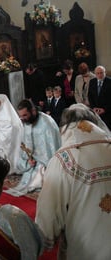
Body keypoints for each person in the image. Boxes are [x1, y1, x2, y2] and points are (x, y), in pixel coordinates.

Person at [35, 103, 111, 260]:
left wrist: (44, 239)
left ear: (64, 127)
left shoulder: (64, 159)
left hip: (87, 249)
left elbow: (49, 212)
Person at [5, 99, 61, 197]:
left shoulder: (47, 123)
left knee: (39, 178)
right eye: (20, 116)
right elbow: (24, 145)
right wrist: (28, 160)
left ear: (33, 111)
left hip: (46, 163)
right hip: (33, 161)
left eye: (25, 115)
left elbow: (53, 148)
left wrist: (46, 164)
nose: (22, 118)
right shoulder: (27, 123)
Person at [88, 65, 111, 130]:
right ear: (95, 74)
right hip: (95, 112)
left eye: (101, 73)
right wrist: (93, 107)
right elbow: (90, 96)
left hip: (107, 112)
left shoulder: (109, 82)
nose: (100, 75)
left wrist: (104, 109)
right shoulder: (92, 82)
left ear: (105, 73)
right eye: (98, 73)